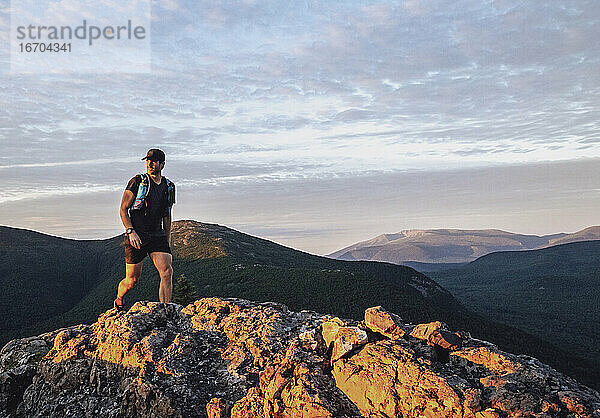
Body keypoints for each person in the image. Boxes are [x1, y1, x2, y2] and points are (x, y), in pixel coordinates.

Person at [114, 148, 176, 310]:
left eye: (154, 161)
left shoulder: (168, 187)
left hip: (157, 235)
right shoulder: (137, 182)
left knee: (167, 272)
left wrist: (167, 240)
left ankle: (165, 311)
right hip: (137, 235)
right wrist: (130, 231)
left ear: (162, 164)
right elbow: (123, 209)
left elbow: (167, 215)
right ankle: (119, 298)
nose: (150, 164)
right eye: (148, 161)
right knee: (132, 280)